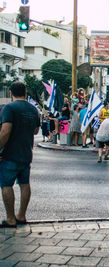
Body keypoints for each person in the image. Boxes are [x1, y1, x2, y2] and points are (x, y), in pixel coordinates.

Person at [0, 81, 40, 227]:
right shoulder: (33, 109)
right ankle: (21, 215)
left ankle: (10, 218)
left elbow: (5, 131)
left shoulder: (9, 108)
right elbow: (36, 131)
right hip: (26, 152)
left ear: (11, 93)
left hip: (10, 154)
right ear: (26, 92)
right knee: (24, 184)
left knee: (6, 185)